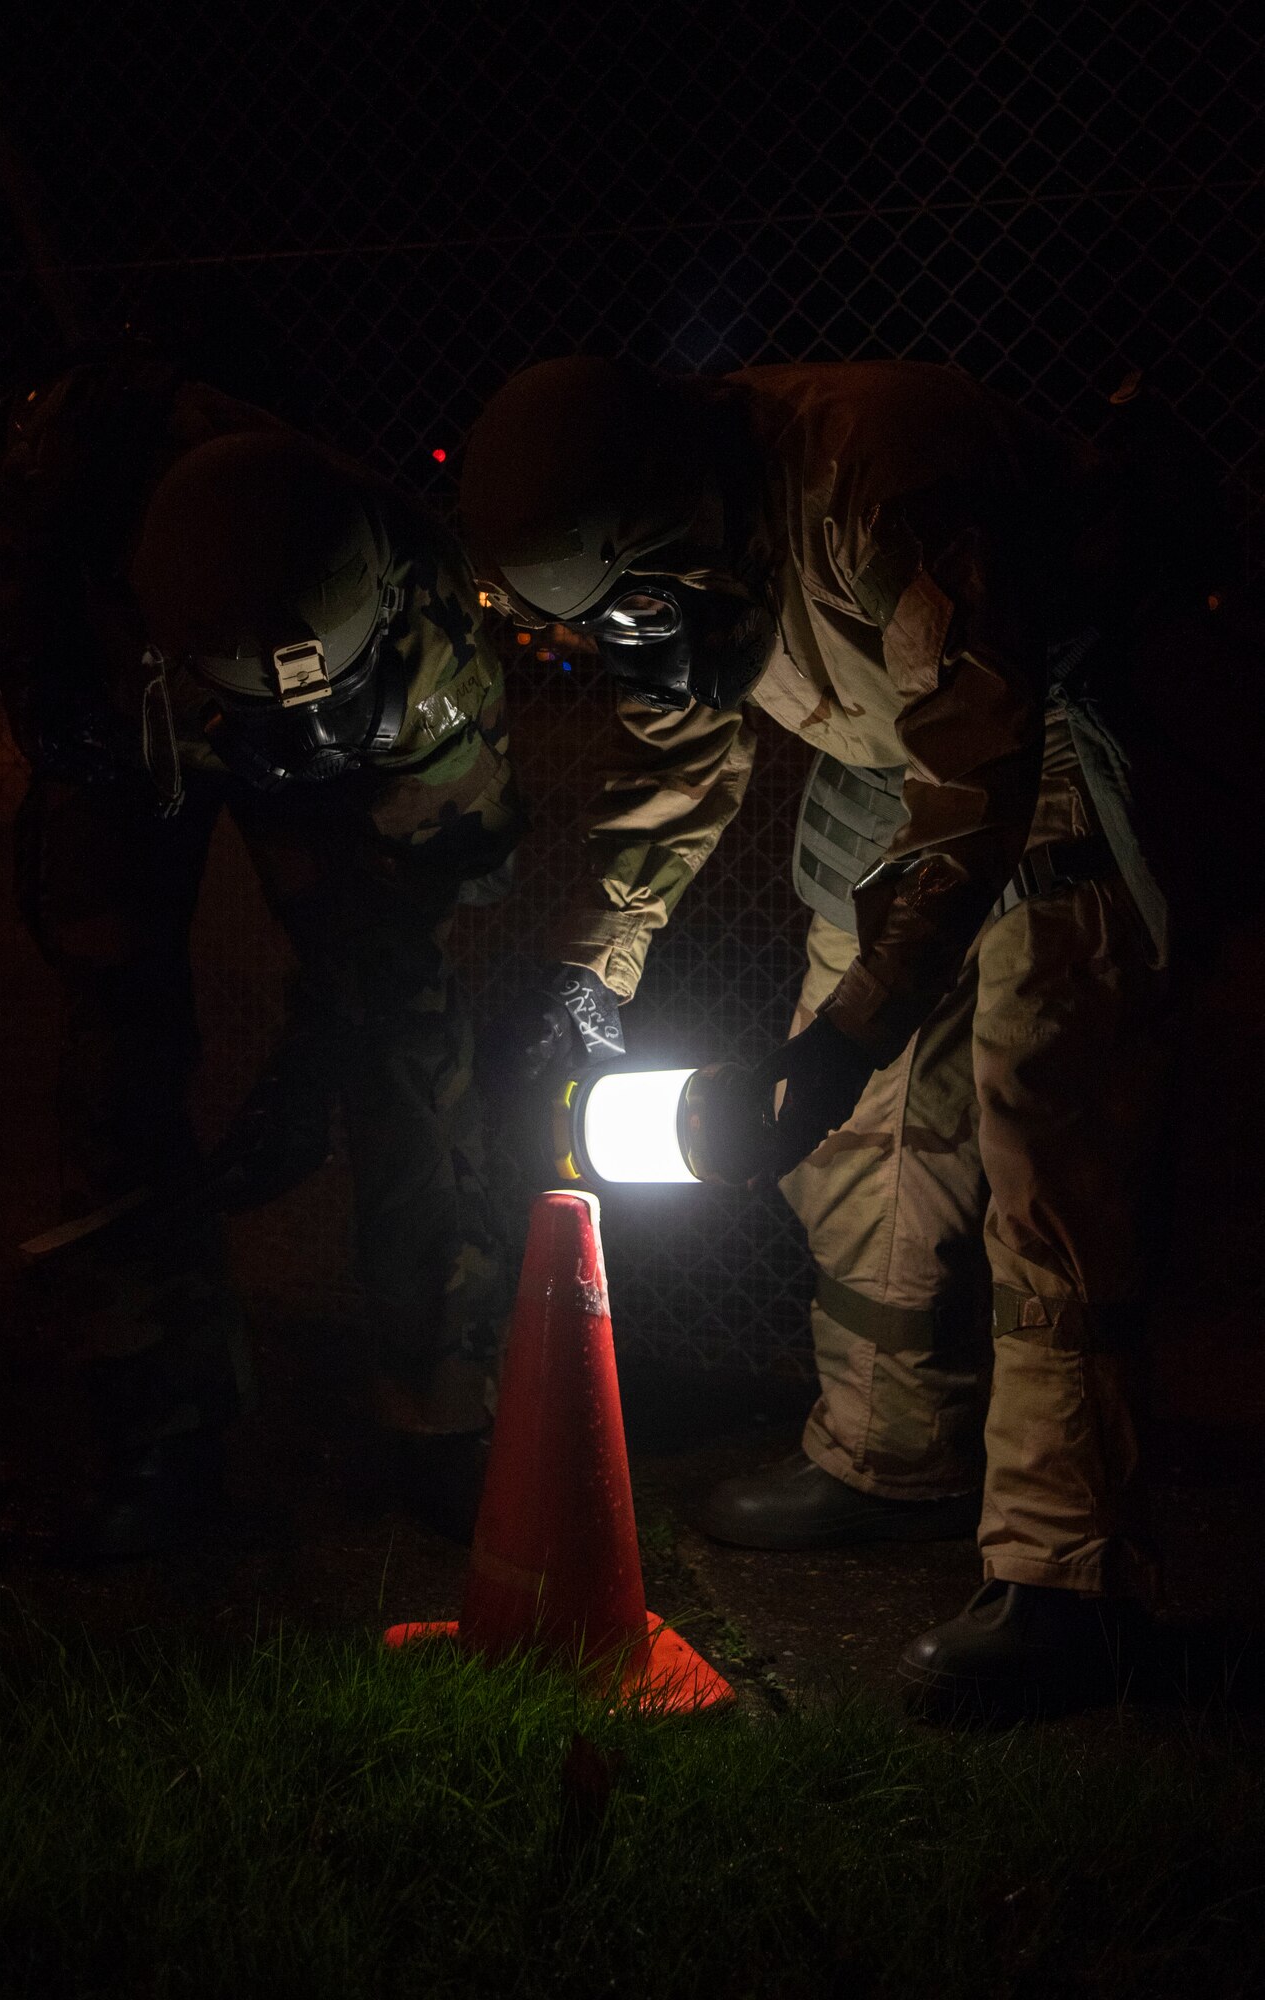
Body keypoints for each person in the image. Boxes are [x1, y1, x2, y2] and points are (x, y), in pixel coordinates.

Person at [459, 352, 1231, 1712]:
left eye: (641, 602)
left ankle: (1070, 1582)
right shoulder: (672, 559)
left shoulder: (878, 481)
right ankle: (884, 1457)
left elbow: (982, 770)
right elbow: (681, 751)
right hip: (890, 777)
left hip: (1043, 760)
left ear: (674, 516)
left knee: (1043, 1169)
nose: (639, 632)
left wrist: (847, 1030)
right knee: (851, 1148)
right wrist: (595, 970)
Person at [0, 340, 524, 1555]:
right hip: (143, 715)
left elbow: (423, 891)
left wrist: (314, 1041)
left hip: (299, 694)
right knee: (114, 1047)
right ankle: (158, 1425)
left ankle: (444, 1411)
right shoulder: (77, 530)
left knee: (404, 1040)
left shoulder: (425, 631)